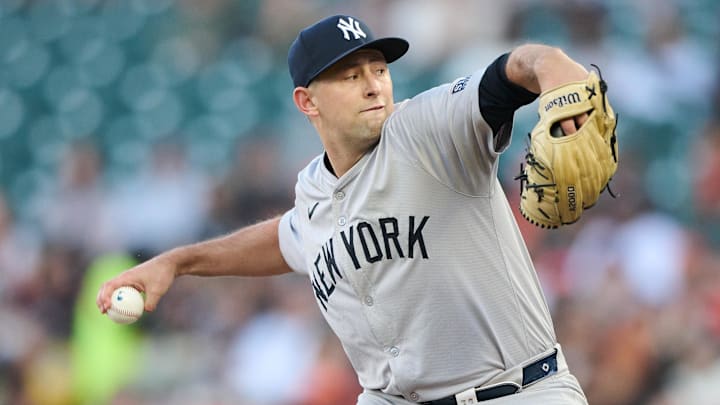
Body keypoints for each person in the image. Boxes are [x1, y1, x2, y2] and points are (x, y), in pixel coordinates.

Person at [97, 14, 593, 404]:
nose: (375, 84)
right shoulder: (313, 191)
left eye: (379, 69)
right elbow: (289, 239)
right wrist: (178, 262)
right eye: (351, 76)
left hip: (518, 392)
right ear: (307, 102)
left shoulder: (429, 129)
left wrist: (550, 67)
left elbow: (513, 73)